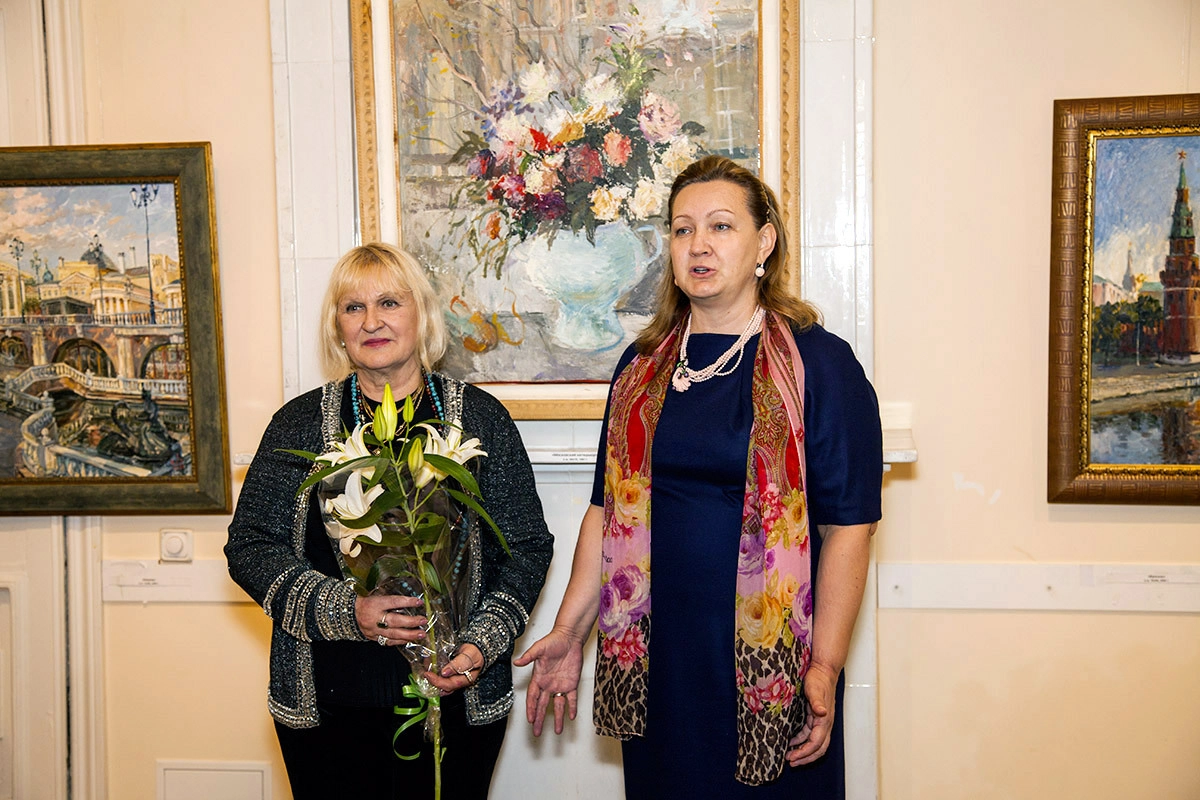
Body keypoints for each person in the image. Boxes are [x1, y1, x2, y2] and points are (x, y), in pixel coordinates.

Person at [514, 155, 882, 798]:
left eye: (720, 226)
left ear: (764, 243)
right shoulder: (640, 366)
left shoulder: (821, 365)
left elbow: (849, 528)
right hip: (657, 656)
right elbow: (607, 511)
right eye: (682, 229)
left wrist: (825, 664)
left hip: (773, 663)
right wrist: (569, 633)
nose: (698, 244)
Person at [226, 242, 553, 799]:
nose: (371, 321)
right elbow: (250, 546)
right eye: (353, 307)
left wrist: (479, 645)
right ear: (337, 326)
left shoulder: (481, 419)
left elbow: (526, 547)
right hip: (328, 709)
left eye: (389, 303)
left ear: (421, 315)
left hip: (457, 702)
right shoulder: (297, 424)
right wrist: (345, 611)